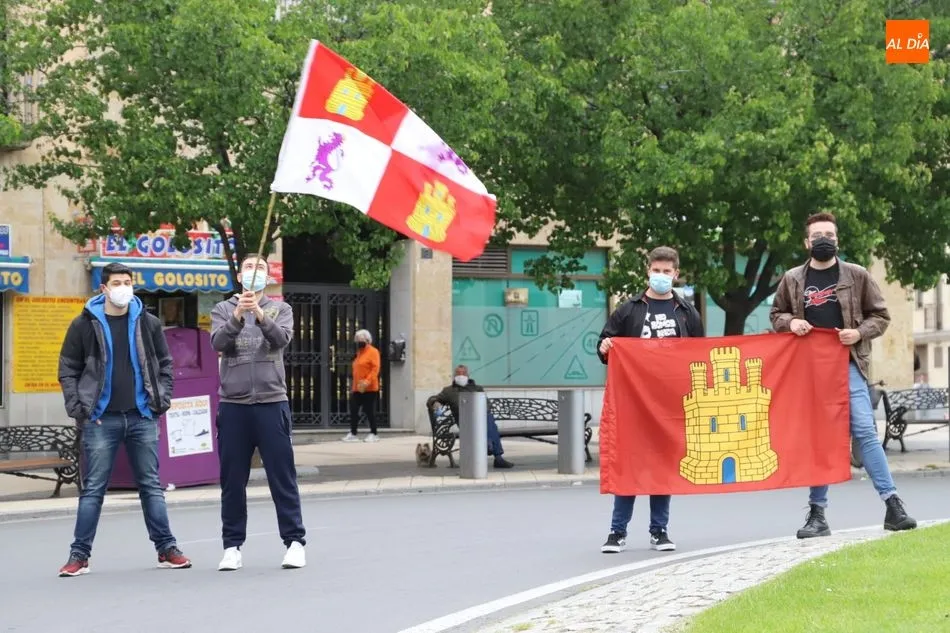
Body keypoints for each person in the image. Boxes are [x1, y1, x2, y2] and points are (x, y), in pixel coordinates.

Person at [770, 211, 916, 538]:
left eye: (830, 236)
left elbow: (880, 316)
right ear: (807, 242)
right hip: (809, 371)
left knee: (864, 429)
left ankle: (893, 505)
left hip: (848, 364)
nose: (824, 240)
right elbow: (777, 314)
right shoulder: (793, 279)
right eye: (818, 235)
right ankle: (817, 514)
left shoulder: (857, 275)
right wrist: (791, 323)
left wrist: (859, 332)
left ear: (837, 240)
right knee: (819, 438)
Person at [57, 262, 190, 576]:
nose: (123, 288)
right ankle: (79, 556)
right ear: (103, 288)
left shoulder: (148, 322)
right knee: (93, 490)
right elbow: (68, 369)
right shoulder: (83, 324)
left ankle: (167, 549)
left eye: (127, 282)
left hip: (142, 417)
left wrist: (161, 400)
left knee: (151, 487)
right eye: (116, 282)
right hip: (101, 420)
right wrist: (80, 409)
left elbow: (165, 365)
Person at [596, 246, 704, 554]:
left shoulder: (686, 312)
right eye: (656, 270)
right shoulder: (629, 309)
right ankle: (617, 532)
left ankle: (660, 531)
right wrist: (604, 346)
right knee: (628, 464)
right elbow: (604, 342)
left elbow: (699, 354)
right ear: (648, 271)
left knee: (662, 466)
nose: (660, 276)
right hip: (633, 402)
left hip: (671, 403)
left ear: (676, 274)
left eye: (666, 271)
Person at [211, 255, 307, 570]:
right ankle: (232, 546)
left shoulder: (282, 309)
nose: (255, 272)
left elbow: (281, 340)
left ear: (269, 278)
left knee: (282, 475)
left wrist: (261, 316)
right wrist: (238, 315)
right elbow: (219, 342)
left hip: (271, 402)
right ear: (240, 275)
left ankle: (294, 542)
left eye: (261, 268)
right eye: (250, 267)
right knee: (232, 480)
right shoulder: (223, 309)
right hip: (234, 404)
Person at [426, 365, 514, 469]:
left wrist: (480, 413)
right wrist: (435, 403)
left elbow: (487, 404)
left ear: (468, 375)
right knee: (489, 424)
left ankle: (491, 447)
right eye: (458, 373)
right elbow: (433, 399)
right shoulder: (448, 391)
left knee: (488, 419)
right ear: (454, 376)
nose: (461, 376)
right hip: (465, 422)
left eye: (463, 373)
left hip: (481, 419)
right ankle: (495, 453)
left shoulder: (477, 388)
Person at [342, 329, 381, 443]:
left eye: (360, 339)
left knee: (369, 410)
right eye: (357, 339)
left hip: (369, 388)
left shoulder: (373, 352)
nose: (358, 341)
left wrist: (367, 381)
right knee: (354, 409)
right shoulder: (359, 353)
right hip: (357, 388)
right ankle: (353, 433)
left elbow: (375, 369)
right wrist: (354, 386)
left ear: (367, 340)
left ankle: (374, 433)